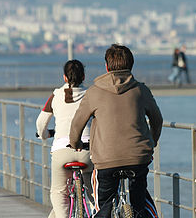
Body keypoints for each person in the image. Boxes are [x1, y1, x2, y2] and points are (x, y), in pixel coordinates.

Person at [69, 44, 163, 217]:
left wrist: (75, 143)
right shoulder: (141, 90)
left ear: (106, 66)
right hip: (138, 158)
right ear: (131, 65)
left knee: (103, 205)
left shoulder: (93, 92)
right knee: (140, 202)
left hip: (106, 161)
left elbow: (77, 124)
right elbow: (157, 120)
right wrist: (152, 141)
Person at [36, 60, 94, 218]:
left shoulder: (56, 95)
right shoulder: (91, 94)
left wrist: (45, 135)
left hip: (62, 151)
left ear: (64, 78)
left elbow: (40, 122)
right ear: (83, 76)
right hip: (87, 150)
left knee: (59, 193)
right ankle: (95, 211)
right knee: (94, 194)